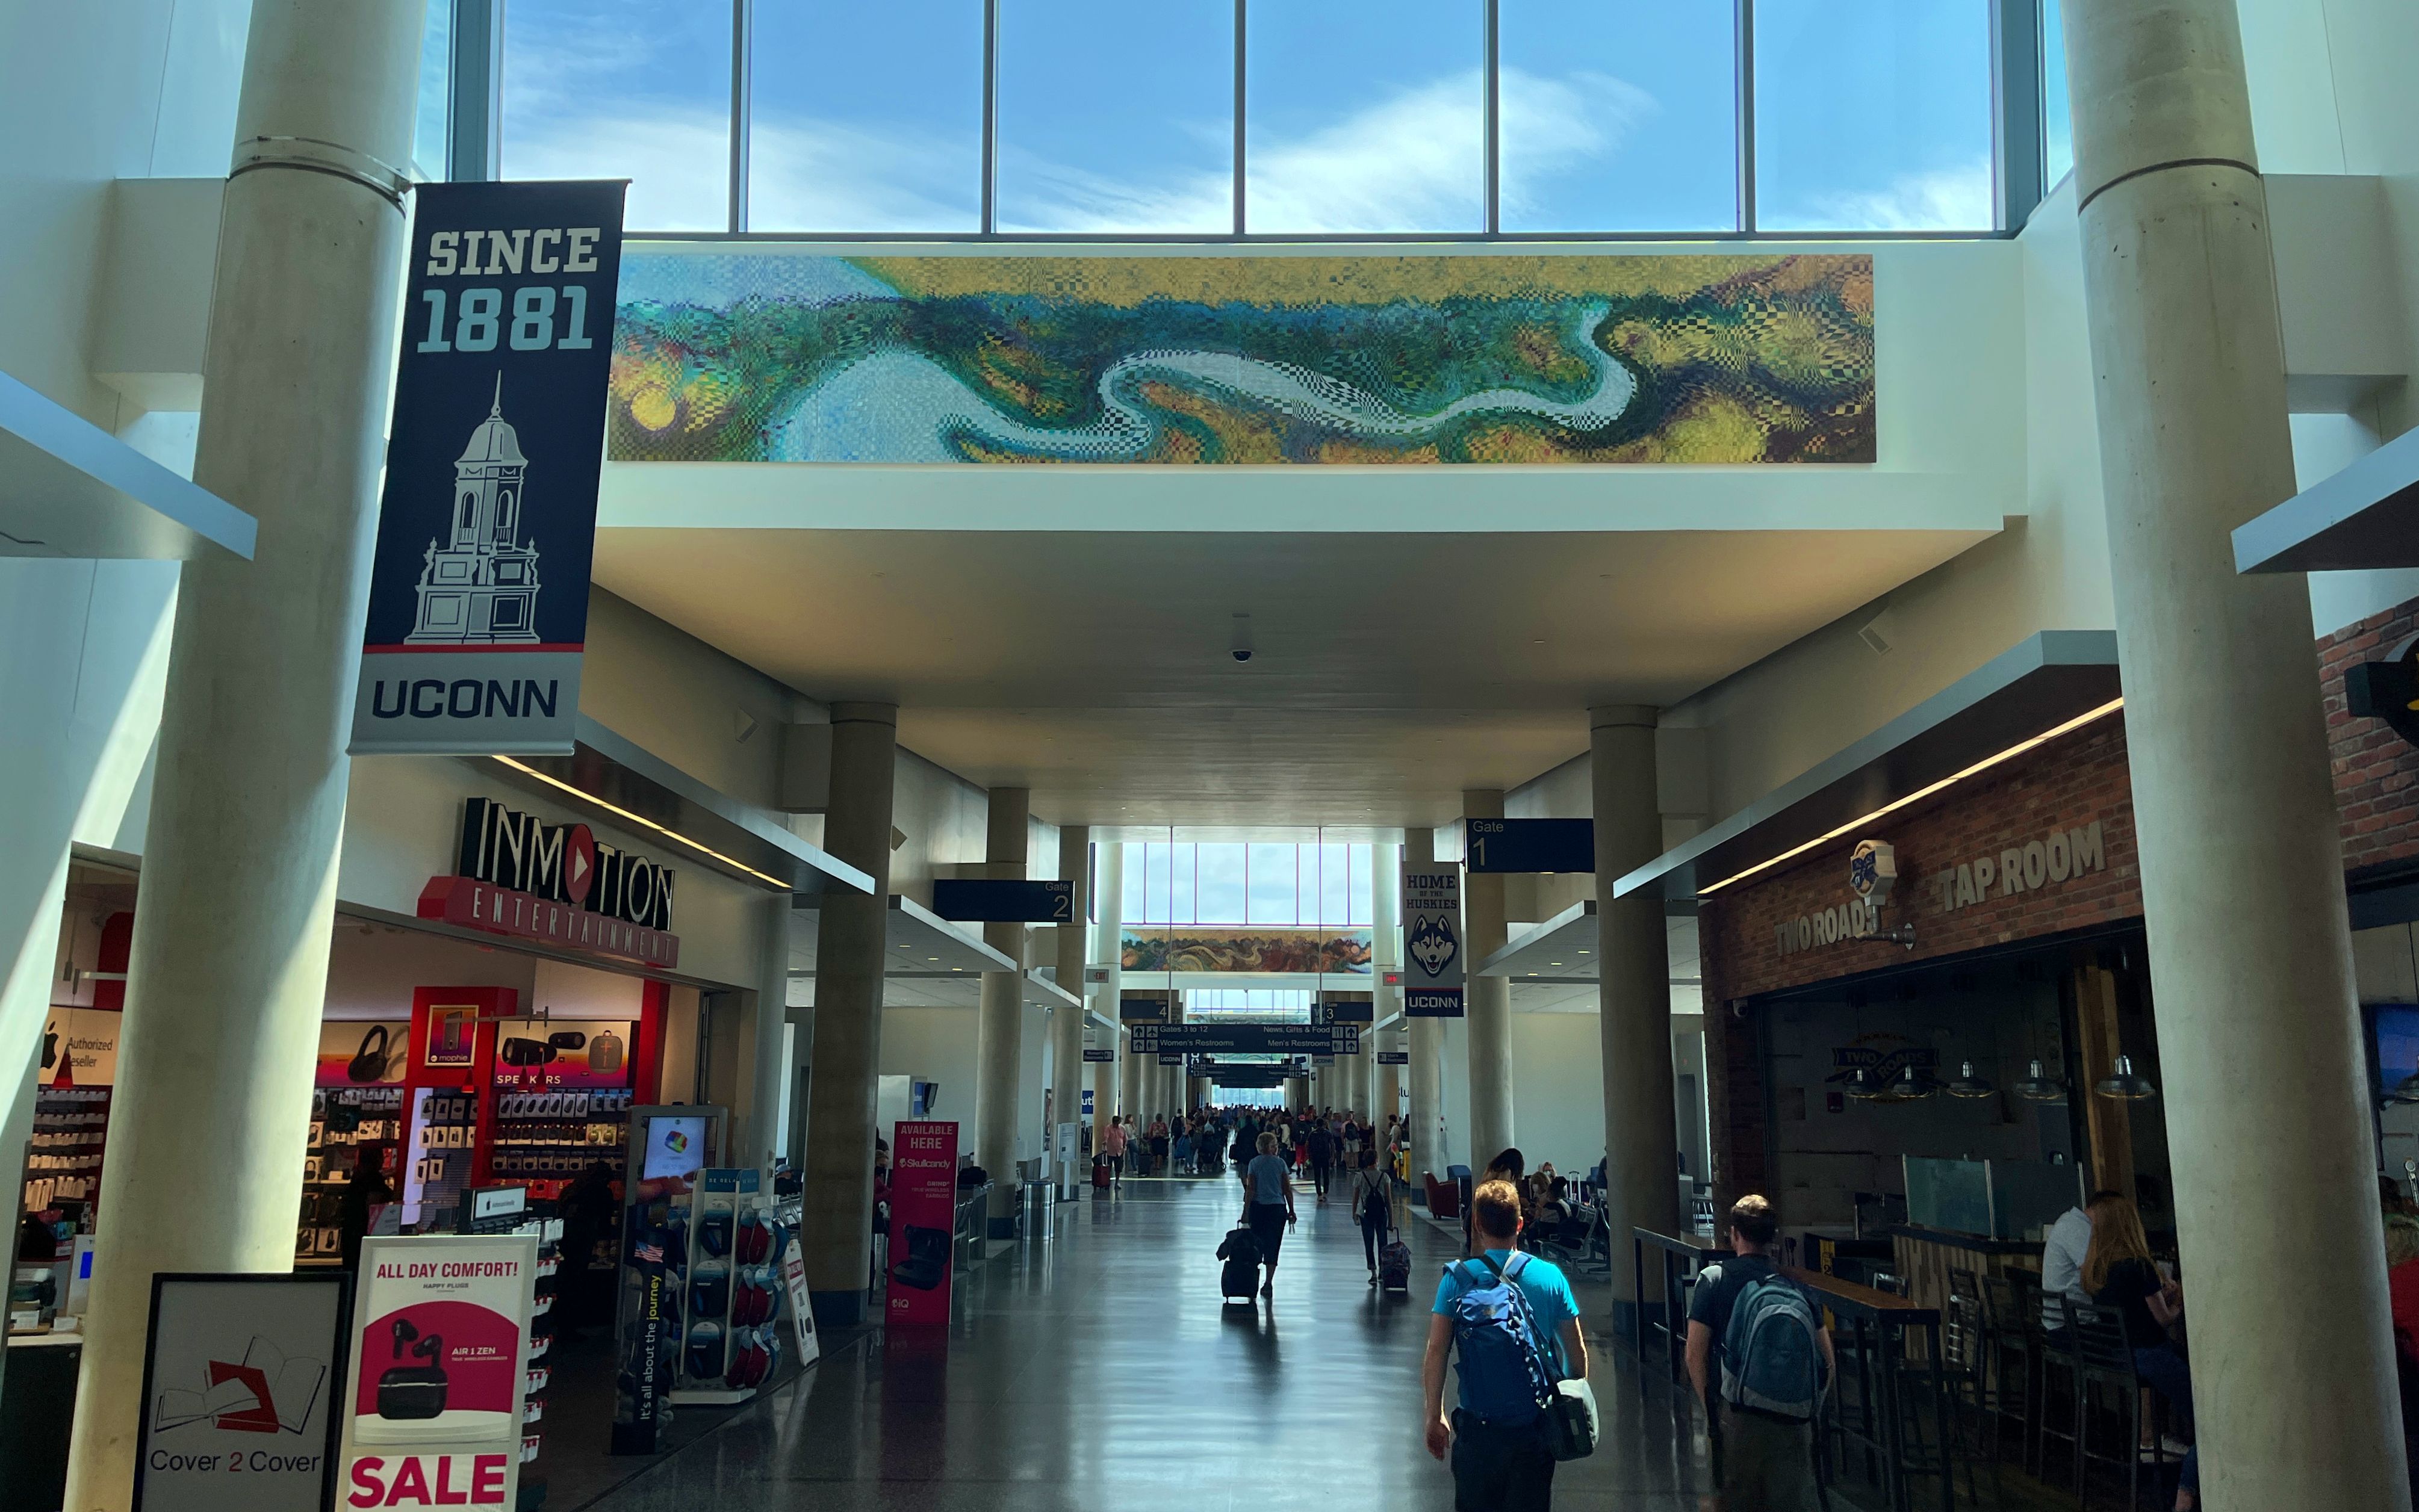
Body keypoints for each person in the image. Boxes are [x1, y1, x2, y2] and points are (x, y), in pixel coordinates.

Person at [1421, 1178, 1588, 1511]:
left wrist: (1434, 1414)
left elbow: (1437, 1350)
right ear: (1521, 1223)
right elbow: (1576, 1352)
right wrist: (1568, 1410)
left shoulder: (1456, 1280)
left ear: (1478, 1225)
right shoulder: (1550, 1277)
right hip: (1534, 1431)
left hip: (1478, 1432)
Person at [1686, 1194, 1834, 1512]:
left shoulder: (1715, 1280)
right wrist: (1809, 1409)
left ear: (1734, 1235)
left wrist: (1713, 1413)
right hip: (1794, 1420)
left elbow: (1694, 1356)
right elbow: (1828, 1363)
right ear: (1773, 1239)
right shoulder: (1797, 1288)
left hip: (1739, 1417)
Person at [2083, 1192, 2194, 1507]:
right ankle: (2186, 1493)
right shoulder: (2139, 1266)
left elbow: (2133, 1312)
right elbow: (2163, 1320)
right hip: (2150, 1357)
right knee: (2207, 1417)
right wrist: (2180, 1300)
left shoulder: (2096, 1269)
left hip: (2120, 1357)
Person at [2041, 1189, 2118, 1339]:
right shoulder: (2078, 1228)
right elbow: (2097, 1272)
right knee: (2135, 1337)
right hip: (2072, 1328)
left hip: (2059, 1324)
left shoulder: (2069, 1221)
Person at [1241, 1131, 1297, 1298]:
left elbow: (1251, 1189)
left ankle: (1252, 1280)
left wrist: (1246, 1211)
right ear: (1271, 1147)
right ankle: (1268, 1283)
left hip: (1258, 1208)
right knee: (1274, 1244)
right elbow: (1287, 1189)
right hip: (1277, 1209)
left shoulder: (1254, 1163)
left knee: (1256, 1244)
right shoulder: (1280, 1164)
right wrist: (1291, 1210)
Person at [335, 1143, 397, 1272]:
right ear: (377, 1159)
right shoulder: (373, 1181)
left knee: (352, 1271)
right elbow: (373, 1207)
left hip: (352, 1235)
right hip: (365, 1236)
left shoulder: (358, 1177)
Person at [1355, 1153, 1394, 1285]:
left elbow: (1356, 1197)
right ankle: (1382, 1271)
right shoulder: (1385, 1177)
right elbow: (1388, 1200)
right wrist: (1392, 1220)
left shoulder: (1360, 1177)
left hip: (1366, 1214)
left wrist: (1354, 1213)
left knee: (1369, 1242)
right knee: (1383, 1243)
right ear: (1377, 1160)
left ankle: (1373, 1272)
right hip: (1381, 1213)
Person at [1307, 1117, 1337, 1203]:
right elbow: (1332, 1145)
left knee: (1317, 1176)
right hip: (1325, 1156)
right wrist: (1332, 1156)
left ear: (1316, 1124)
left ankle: (1319, 1194)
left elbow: (1308, 1145)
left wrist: (1309, 1156)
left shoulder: (1312, 1134)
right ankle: (1325, 1192)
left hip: (1316, 1157)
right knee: (1326, 1175)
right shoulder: (1327, 1133)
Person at [1100, 1115, 1128, 1190]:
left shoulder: (1122, 1128)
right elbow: (1106, 1136)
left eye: (1118, 1123)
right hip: (1110, 1151)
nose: (1117, 1125)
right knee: (1108, 1168)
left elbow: (1125, 1138)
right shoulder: (1109, 1128)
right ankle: (1107, 1182)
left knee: (1118, 1169)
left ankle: (1117, 1182)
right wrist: (1105, 1141)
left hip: (1120, 1151)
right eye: (1115, 1123)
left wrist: (1124, 1147)